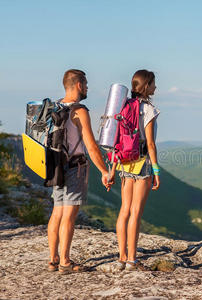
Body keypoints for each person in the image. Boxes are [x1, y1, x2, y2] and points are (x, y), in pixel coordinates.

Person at [47, 69, 111, 274]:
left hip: (55, 165)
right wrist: (104, 170)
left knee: (57, 212)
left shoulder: (54, 107)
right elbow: (91, 146)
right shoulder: (79, 111)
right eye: (86, 84)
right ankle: (65, 262)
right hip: (75, 167)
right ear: (78, 85)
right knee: (69, 216)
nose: (87, 88)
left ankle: (53, 259)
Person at [109, 69, 161, 271]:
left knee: (124, 210)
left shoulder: (125, 106)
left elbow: (117, 141)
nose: (156, 87)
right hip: (142, 163)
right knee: (136, 212)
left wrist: (112, 169)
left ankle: (121, 256)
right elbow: (151, 144)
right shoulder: (148, 110)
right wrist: (156, 171)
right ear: (146, 86)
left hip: (124, 162)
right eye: (154, 84)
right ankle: (132, 259)